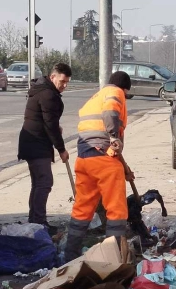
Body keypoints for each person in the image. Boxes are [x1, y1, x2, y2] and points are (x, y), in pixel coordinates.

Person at [64, 71, 133, 262]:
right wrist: (113, 136)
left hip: (85, 159)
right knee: (116, 210)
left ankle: (70, 255)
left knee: (82, 208)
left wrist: (124, 165)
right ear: (124, 88)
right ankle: (114, 256)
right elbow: (111, 112)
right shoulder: (116, 92)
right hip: (104, 159)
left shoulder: (94, 98)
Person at [17, 63, 72, 235]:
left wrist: (56, 127)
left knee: (38, 184)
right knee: (45, 182)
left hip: (33, 141)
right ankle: (39, 222)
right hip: (36, 143)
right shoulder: (48, 94)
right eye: (62, 81)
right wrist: (61, 149)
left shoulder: (42, 89)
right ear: (53, 76)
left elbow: (48, 121)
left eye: (67, 82)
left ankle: (35, 220)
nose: (64, 85)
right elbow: (50, 125)